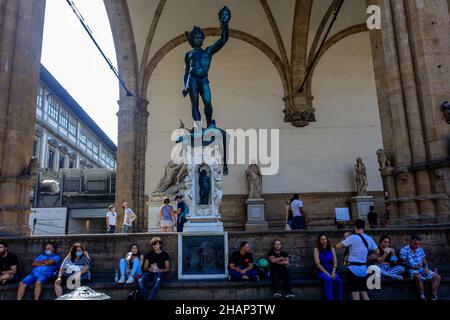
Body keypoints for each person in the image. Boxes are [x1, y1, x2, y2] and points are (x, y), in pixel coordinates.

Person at [336, 219, 379, 300]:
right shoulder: (369, 238)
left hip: (352, 269)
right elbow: (377, 252)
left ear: (355, 227)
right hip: (363, 269)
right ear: (363, 227)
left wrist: (346, 238)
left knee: (355, 294)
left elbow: (338, 246)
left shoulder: (352, 237)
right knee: (364, 294)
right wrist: (367, 257)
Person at [399, 235, 441, 300]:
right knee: (418, 276)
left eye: (419, 244)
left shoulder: (420, 249)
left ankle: (433, 295)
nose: (417, 246)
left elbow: (424, 261)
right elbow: (402, 263)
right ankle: (422, 295)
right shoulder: (403, 250)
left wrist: (426, 267)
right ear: (410, 242)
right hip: (411, 270)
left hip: (421, 269)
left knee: (437, 277)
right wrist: (412, 266)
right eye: (415, 244)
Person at [314, 233, 343, 301]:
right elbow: (318, 264)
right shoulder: (316, 249)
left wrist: (333, 272)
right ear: (319, 241)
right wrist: (328, 274)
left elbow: (335, 263)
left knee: (338, 280)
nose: (324, 241)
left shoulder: (331, 248)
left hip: (331, 270)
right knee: (329, 279)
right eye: (322, 239)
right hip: (321, 271)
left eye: (325, 239)